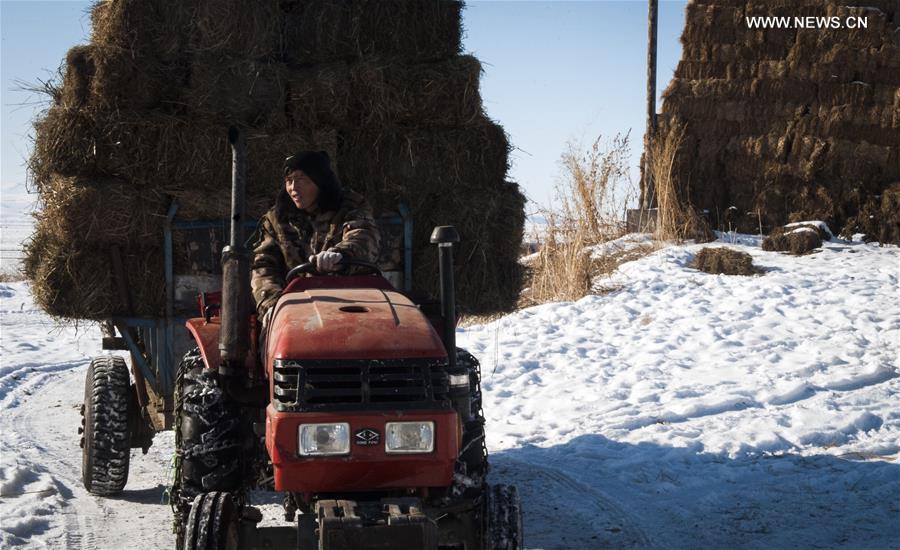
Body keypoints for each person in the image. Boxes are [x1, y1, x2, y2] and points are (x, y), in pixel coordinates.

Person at [250, 151, 380, 317]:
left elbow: (363, 236)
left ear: (319, 180)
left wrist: (340, 255)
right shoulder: (276, 219)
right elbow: (264, 266)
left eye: (301, 179)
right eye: (289, 181)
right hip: (295, 306)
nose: (293, 188)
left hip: (349, 301)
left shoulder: (350, 206)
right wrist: (272, 305)